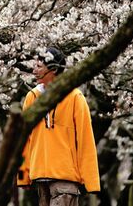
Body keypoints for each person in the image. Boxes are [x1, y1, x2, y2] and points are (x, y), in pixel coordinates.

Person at [17, 47, 100, 206]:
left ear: (53, 69)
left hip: (66, 178)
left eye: (39, 66)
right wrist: (23, 176)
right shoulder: (31, 97)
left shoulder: (75, 97)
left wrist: (92, 181)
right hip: (40, 177)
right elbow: (24, 140)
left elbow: (85, 140)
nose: (34, 70)